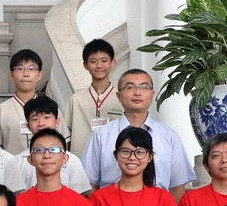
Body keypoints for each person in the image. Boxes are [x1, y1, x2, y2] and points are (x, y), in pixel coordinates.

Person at [82, 68, 194, 198]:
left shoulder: (169, 136)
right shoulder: (101, 135)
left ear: (152, 94)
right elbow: (89, 185)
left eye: (144, 87)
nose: (137, 92)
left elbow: (177, 188)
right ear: (118, 95)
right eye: (130, 87)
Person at [5, 96, 91, 194]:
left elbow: (80, 195)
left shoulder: (72, 160)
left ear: (57, 122)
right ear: (28, 126)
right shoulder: (17, 161)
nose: (41, 123)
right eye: (35, 119)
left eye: (46, 117)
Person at [65, 39, 123, 159]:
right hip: (81, 165)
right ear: (85, 65)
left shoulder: (122, 99)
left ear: (113, 62)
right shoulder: (75, 100)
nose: (99, 66)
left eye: (104, 61)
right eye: (93, 61)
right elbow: (66, 138)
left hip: (114, 164)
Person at [0, 49, 45, 156]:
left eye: (31, 69)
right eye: (20, 68)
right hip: (11, 170)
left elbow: (62, 143)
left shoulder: (51, 109)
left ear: (39, 75)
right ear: (11, 75)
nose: (26, 74)